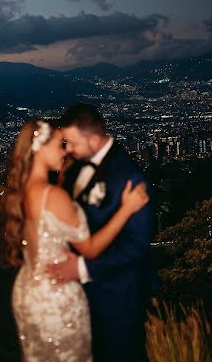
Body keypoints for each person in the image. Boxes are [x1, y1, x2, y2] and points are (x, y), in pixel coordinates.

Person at [2, 118, 149, 362]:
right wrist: (127, 208)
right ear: (42, 148)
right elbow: (89, 250)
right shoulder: (54, 195)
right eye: (61, 144)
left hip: (29, 289)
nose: (66, 150)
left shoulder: (24, 189)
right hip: (56, 293)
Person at [47, 103, 157, 362]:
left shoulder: (130, 179)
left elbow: (137, 246)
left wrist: (83, 268)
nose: (68, 149)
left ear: (93, 138)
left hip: (117, 297)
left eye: (72, 142)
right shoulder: (73, 168)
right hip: (78, 297)